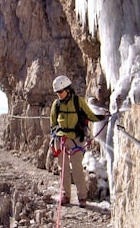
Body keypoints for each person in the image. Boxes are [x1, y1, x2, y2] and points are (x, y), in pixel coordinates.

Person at [50, 75, 107, 208]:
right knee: (63, 168)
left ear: (67, 89)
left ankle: (82, 197)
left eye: (60, 92)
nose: (58, 95)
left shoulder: (78, 101)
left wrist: (102, 117)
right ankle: (66, 195)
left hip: (75, 139)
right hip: (61, 139)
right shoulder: (56, 104)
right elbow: (53, 123)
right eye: (57, 92)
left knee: (77, 168)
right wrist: (57, 135)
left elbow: (89, 115)